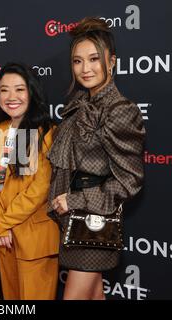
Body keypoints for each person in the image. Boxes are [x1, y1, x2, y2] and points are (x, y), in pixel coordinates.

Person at [47, 17, 146, 300]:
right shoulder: (81, 106)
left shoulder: (120, 110)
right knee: (94, 296)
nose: (85, 68)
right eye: (77, 61)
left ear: (111, 61)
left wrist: (75, 200)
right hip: (74, 223)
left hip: (93, 226)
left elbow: (129, 181)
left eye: (93, 59)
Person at [0, 62, 60, 300]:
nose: (11, 96)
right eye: (4, 90)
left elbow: (41, 188)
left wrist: (2, 222)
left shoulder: (47, 132)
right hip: (4, 239)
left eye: (19, 89)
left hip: (34, 239)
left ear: (31, 92)